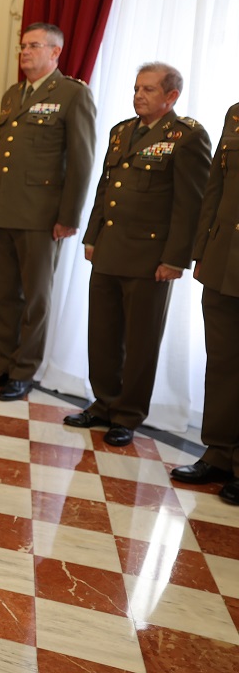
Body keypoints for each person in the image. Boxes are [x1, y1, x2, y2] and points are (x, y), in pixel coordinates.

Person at [63, 64, 210, 447]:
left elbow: (190, 205)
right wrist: (92, 237)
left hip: (151, 259)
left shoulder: (187, 136)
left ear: (171, 96)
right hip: (109, 250)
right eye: (136, 88)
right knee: (103, 334)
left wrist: (175, 259)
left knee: (141, 342)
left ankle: (127, 415)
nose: (138, 95)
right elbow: (105, 188)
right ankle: (103, 403)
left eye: (148, 89)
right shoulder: (122, 131)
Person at [0, 22, 95, 400]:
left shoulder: (72, 94)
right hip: (4, 210)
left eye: (34, 46)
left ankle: (24, 371)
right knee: (5, 295)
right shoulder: (13, 94)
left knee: (35, 300)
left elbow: (82, 161)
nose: (24, 52)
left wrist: (69, 218)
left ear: (55, 52)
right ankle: (4, 362)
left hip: (42, 218)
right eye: (23, 46)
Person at [170, 101, 238, 503]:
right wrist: (201, 251)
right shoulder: (236, 113)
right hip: (222, 260)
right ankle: (218, 453)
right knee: (223, 363)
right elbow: (215, 188)